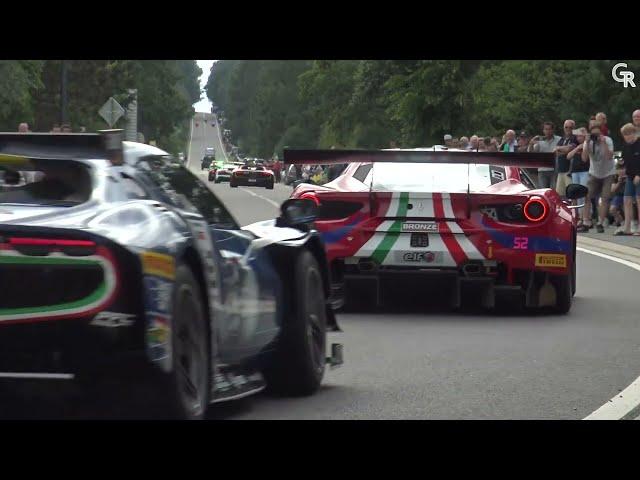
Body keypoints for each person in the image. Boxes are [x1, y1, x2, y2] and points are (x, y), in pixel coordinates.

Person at [577, 122, 615, 233]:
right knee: (587, 196)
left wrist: (603, 143)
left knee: (605, 197)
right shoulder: (588, 142)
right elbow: (584, 159)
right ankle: (586, 221)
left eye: (597, 134)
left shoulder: (607, 140)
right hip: (594, 172)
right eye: (594, 134)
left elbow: (609, 156)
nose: (596, 137)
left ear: (601, 133)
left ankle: (600, 222)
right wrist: (587, 142)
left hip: (608, 172)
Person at [617, 123, 640, 235]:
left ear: (633, 133)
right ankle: (627, 227)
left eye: (628, 134)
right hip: (630, 175)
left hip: (638, 175)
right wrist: (622, 168)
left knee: (639, 200)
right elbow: (624, 160)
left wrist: (638, 175)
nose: (626, 137)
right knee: (627, 200)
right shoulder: (626, 146)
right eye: (624, 135)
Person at [567, 127, 590, 224]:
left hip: (585, 171)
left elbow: (585, 158)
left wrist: (584, 145)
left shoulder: (588, 145)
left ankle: (586, 217)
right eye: (578, 136)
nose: (579, 138)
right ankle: (579, 216)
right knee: (576, 195)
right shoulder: (576, 146)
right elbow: (568, 156)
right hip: (575, 172)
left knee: (583, 194)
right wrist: (577, 148)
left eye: (581, 136)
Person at [529, 122, 561, 188]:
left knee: (553, 190)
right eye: (546, 129)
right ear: (543, 130)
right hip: (542, 169)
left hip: (554, 169)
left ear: (553, 130)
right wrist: (531, 144)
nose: (548, 131)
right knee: (543, 191)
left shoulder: (559, 139)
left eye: (549, 129)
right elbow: (531, 153)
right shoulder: (539, 141)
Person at [554, 120, 578, 198]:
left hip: (569, 171)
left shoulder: (575, 138)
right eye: (566, 127)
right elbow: (555, 151)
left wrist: (561, 149)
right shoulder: (562, 139)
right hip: (560, 170)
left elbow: (570, 149)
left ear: (574, 128)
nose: (568, 129)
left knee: (571, 195)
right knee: (560, 195)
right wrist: (564, 150)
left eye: (570, 127)